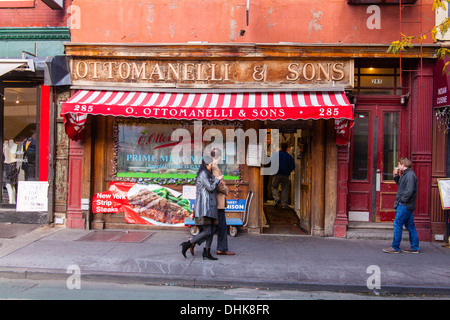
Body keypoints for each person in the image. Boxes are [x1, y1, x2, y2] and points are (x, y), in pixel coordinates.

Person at [180, 156, 223, 260]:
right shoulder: (203, 174)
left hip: (210, 206)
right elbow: (210, 187)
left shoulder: (208, 174)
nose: (212, 166)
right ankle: (188, 243)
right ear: (206, 165)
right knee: (208, 230)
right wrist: (217, 180)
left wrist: (216, 180)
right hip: (205, 206)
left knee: (212, 229)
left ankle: (206, 251)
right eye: (210, 164)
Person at [383, 157, 420, 254]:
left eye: (399, 164)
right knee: (410, 226)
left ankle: (395, 247)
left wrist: (402, 201)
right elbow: (402, 186)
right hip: (408, 204)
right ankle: (414, 247)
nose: (398, 166)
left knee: (397, 224)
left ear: (404, 165)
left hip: (405, 205)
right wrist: (396, 177)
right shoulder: (407, 174)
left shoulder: (410, 175)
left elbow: (409, 190)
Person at [211, 148, 235, 256]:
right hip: (218, 202)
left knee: (214, 227)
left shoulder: (211, 166)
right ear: (219, 157)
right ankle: (193, 241)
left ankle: (193, 241)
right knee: (221, 226)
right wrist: (226, 189)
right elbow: (217, 185)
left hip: (215, 202)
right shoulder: (215, 168)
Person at [271, 142, 295, 209]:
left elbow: (271, 162)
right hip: (285, 175)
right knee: (285, 189)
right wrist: (288, 170)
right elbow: (292, 166)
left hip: (276, 174)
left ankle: (276, 199)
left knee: (274, 187)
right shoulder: (289, 156)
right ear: (287, 148)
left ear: (280, 147)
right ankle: (284, 204)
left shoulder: (275, 155)